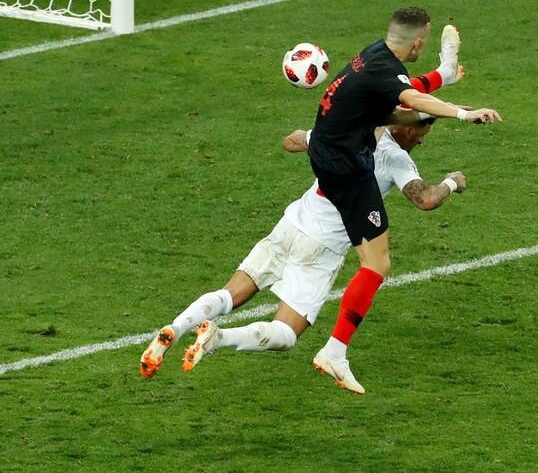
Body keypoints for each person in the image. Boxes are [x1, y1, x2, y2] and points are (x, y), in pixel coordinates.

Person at [139, 26, 472, 389]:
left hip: (292, 223)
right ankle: (220, 338)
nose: (420, 142)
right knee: (285, 333)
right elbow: (425, 198)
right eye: (422, 134)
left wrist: (314, 139)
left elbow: (292, 141)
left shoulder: (344, 131)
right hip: (321, 248)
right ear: (407, 127)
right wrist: (453, 182)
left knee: (229, 293)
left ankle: (175, 327)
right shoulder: (397, 160)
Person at [307, 7, 501, 391]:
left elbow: (396, 107)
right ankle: (334, 352)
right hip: (347, 180)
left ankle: (445, 71)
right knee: (375, 266)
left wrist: (437, 102)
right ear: (417, 42)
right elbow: (411, 99)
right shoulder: (396, 151)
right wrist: (462, 116)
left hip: (323, 167)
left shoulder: (372, 54)